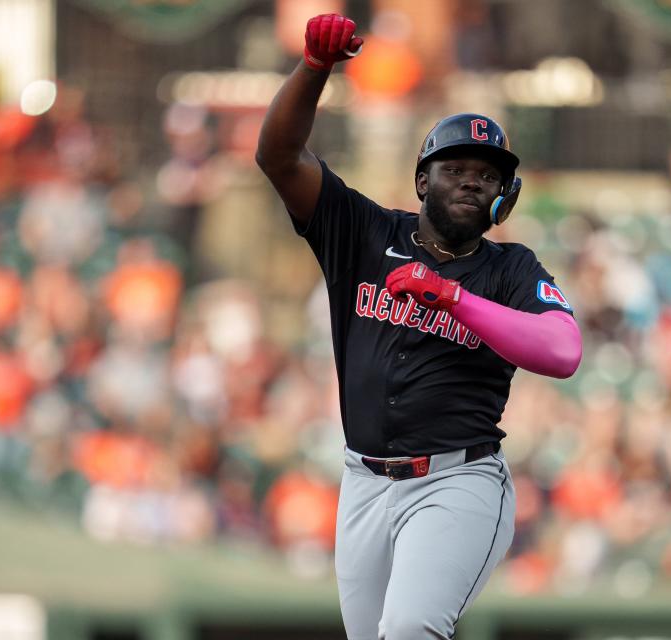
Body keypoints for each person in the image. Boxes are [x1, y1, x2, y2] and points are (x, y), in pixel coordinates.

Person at [256, 13, 582, 639]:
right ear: (421, 179)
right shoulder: (364, 232)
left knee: (408, 630)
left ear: (503, 198)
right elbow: (277, 154)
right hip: (364, 481)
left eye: (487, 175)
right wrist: (314, 69)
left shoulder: (510, 268)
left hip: (457, 480)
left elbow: (563, 351)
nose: (472, 180)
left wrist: (451, 297)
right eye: (456, 167)